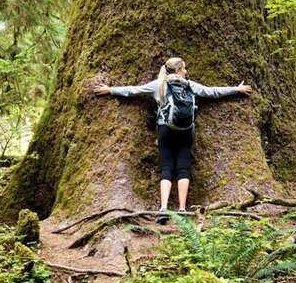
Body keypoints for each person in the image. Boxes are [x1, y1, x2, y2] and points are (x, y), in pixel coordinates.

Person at [89, 57, 252, 224]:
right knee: (183, 168)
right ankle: (182, 209)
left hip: (165, 129)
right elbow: (212, 92)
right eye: (185, 68)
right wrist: (235, 89)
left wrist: (110, 90)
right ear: (179, 70)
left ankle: (164, 208)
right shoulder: (190, 85)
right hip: (186, 131)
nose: (186, 71)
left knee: (166, 168)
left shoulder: (159, 84)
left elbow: (134, 90)